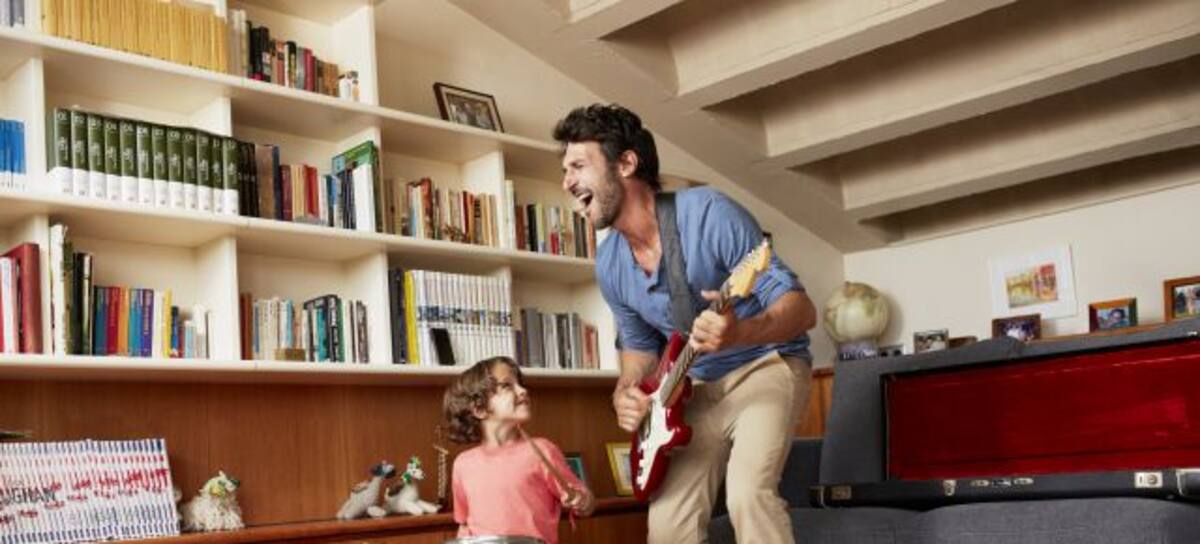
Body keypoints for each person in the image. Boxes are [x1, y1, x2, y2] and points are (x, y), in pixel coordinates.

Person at [553, 104, 817, 544]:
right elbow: (639, 347)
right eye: (564, 170)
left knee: (748, 495)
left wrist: (740, 332)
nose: (567, 181)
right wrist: (627, 390)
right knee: (667, 526)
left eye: (578, 166)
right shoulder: (609, 263)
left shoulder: (709, 212)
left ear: (626, 163)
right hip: (693, 388)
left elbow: (802, 310)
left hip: (766, 367)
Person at [443, 357, 595, 543]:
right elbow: (464, 523)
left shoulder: (542, 451)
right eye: (507, 385)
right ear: (479, 409)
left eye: (520, 384)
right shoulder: (463, 464)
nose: (523, 390)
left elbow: (585, 503)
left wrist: (582, 500)